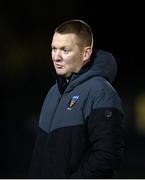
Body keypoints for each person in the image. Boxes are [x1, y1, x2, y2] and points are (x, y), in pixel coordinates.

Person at [29, 19, 125, 179]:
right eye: (54, 49)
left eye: (65, 50)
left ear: (86, 53)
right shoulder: (54, 91)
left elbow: (108, 156)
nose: (56, 57)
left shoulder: (101, 92)